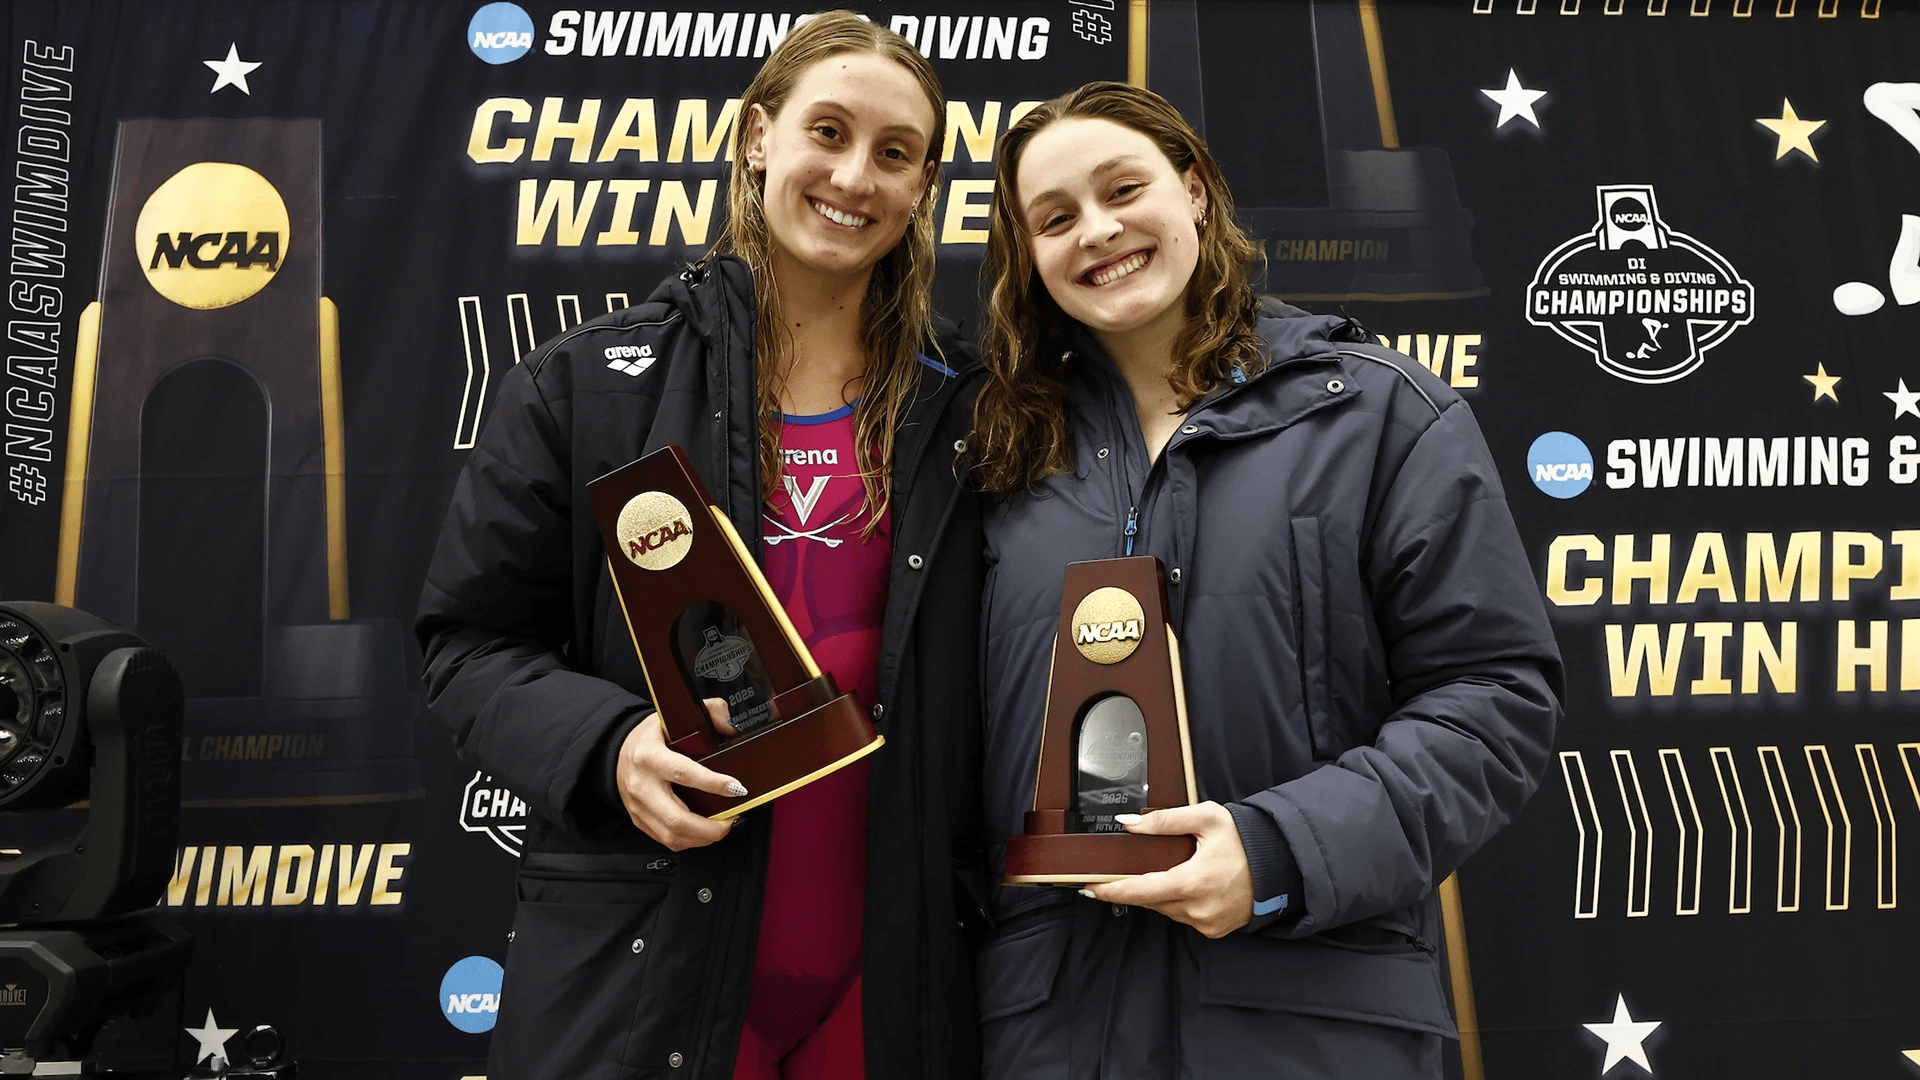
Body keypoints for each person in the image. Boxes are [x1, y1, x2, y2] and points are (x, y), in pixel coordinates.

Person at [416, 13, 986, 1080]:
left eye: (894, 153)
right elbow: (468, 644)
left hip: (891, 980)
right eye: (828, 132)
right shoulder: (588, 385)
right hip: (652, 962)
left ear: (924, 188)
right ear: (758, 137)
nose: (853, 177)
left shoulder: (975, 413)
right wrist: (609, 745)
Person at [967, 81, 1564, 1078]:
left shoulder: (1378, 416)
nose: (1098, 231)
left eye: (1124, 189)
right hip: (1052, 1033)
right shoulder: (993, 460)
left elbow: (1493, 699)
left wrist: (1280, 849)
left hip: (1313, 1026)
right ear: (1026, 254)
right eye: (1055, 218)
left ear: (1195, 191)